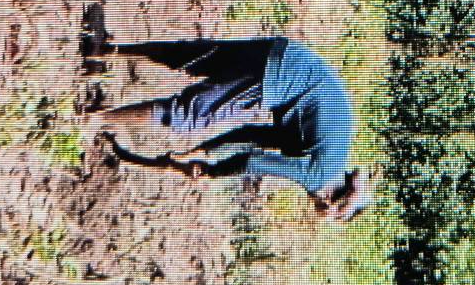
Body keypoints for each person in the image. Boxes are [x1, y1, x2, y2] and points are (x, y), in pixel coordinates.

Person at [87, 34, 372, 223]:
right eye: (320, 208)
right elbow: (252, 162)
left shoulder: (330, 153)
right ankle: (92, 120)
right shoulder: (320, 177)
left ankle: (106, 50)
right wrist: (211, 173)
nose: (313, 203)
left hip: (288, 55)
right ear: (329, 200)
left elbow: (254, 137)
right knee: (188, 116)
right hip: (280, 78)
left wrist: (206, 151)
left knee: (198, 57)